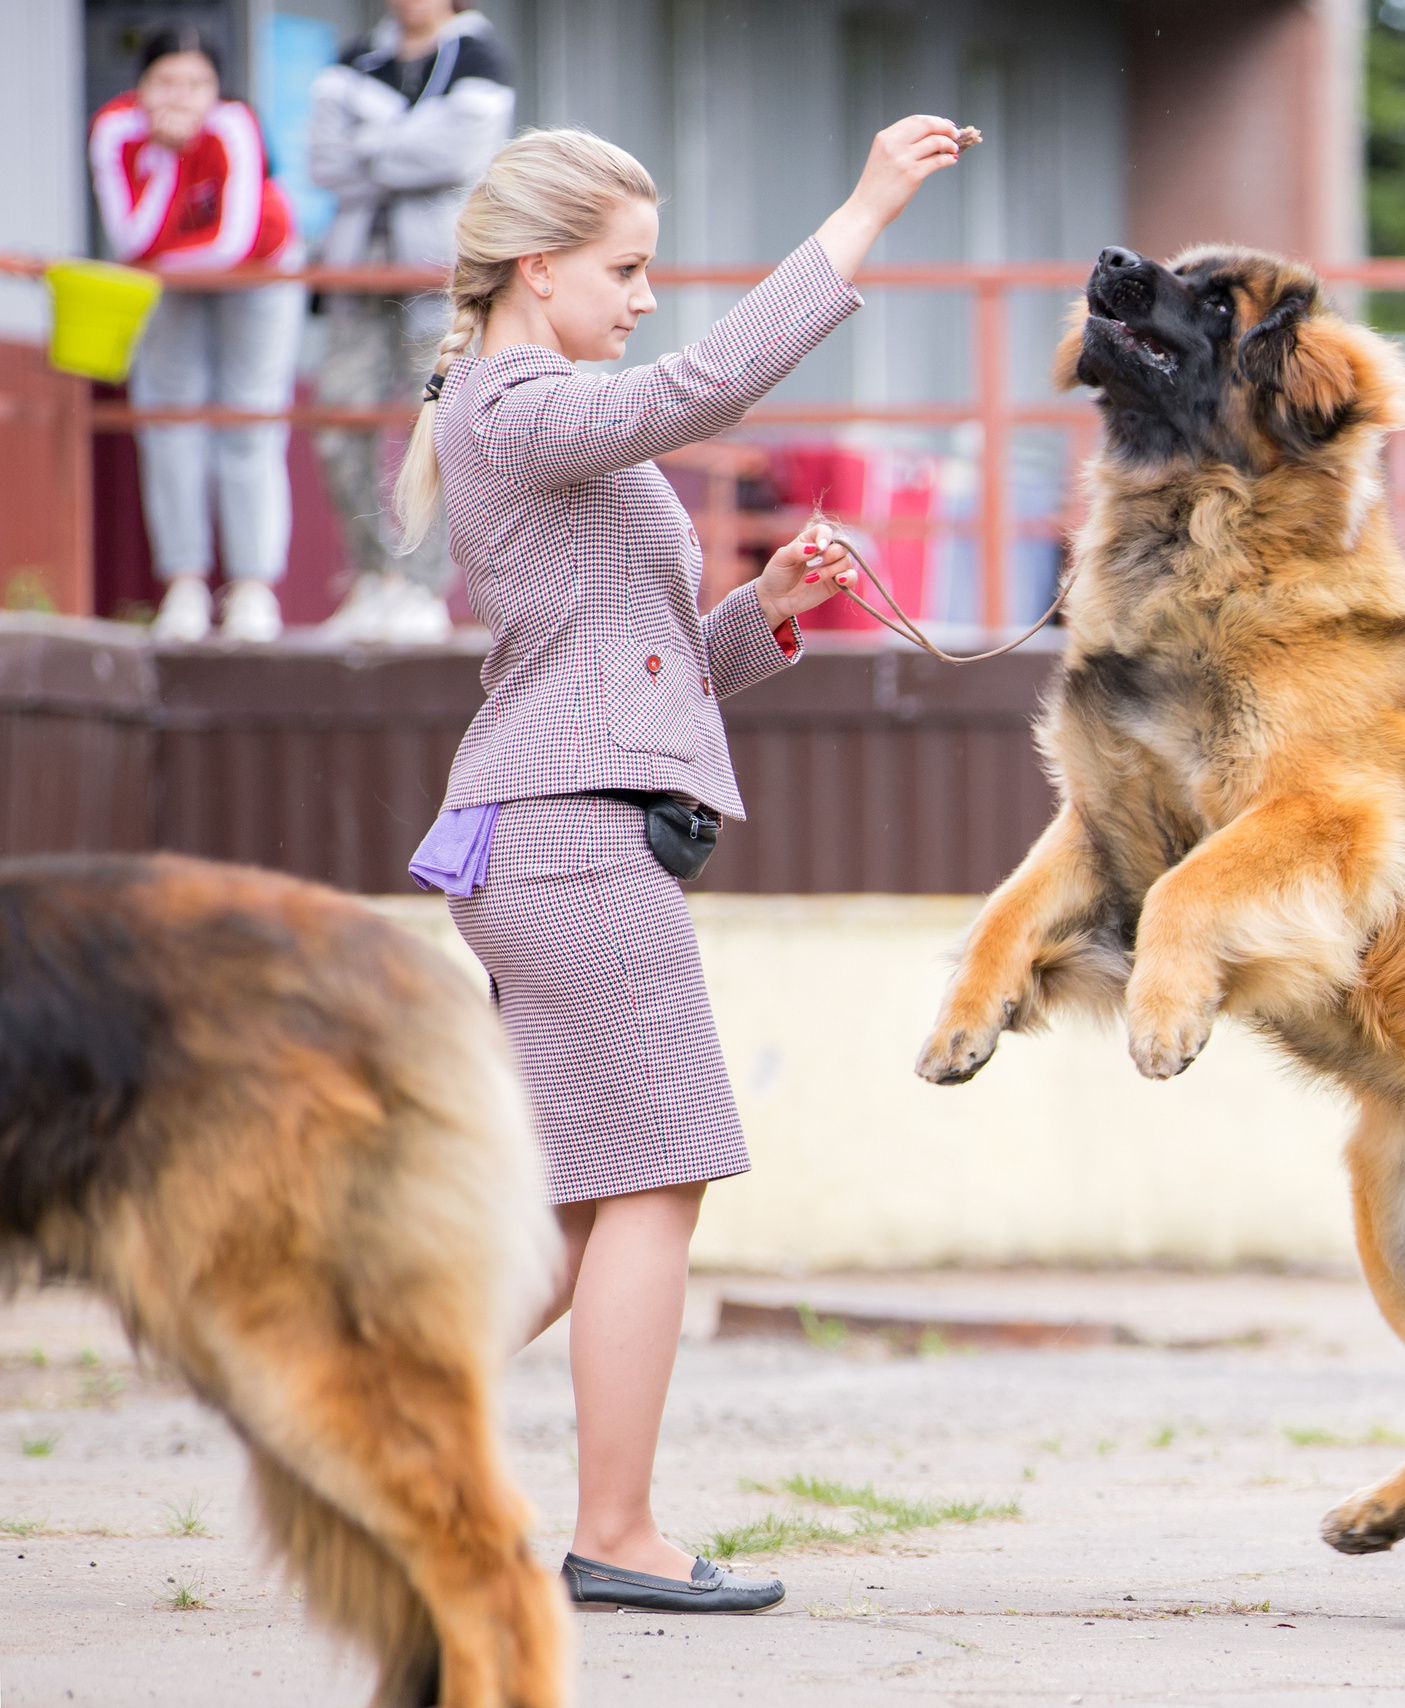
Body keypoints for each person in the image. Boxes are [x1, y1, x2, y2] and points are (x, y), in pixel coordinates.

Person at [398, 118, 966, 1614]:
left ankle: (369, 1399)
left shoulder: (525, 409)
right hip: (572, 845)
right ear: (539, 270)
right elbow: (705, 387)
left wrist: (769, 606)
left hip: (561, 827)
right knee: (654, 1184)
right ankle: (618, 1533)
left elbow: (644, 683)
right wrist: (862, 212)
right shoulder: (517, 402)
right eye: (625, 267)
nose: (645, 295)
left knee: (586, 1213)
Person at [88, 27, 302, 644]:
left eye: (195, 83)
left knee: (249, 420)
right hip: (169, 279)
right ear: (141, 87)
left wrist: (158, 261)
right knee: (169, 419)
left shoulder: (235, 125)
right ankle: (182, 582)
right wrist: (165, 158)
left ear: (217, 89)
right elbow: (129, 238)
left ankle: (253, 588)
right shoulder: (116, 130)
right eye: (165, 81)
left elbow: (232, 243)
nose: (180, 96)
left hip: (261, 270)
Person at [309, 1, 513, 642]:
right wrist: (410, 146)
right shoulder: (352, 60)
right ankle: (374, 579)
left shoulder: (480, 57)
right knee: (339, 425)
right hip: (356, 275)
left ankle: (423, 589)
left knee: (440, 430)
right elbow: (324, 162)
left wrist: (370, 145)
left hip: (440, 279)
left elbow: (460, 157)